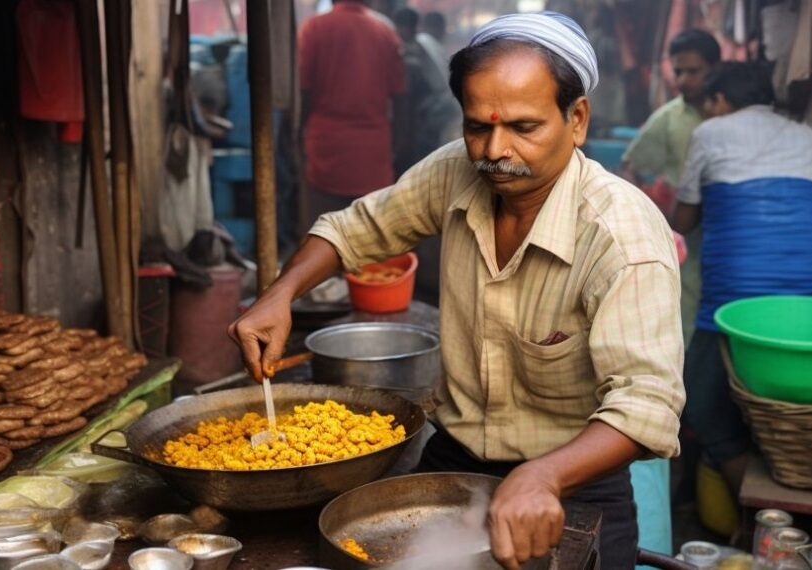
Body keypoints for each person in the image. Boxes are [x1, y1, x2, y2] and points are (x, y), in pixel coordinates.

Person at [231, 12, 684, 569]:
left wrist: (541, 475)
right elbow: (354, 230)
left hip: (573, 482)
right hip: (454, 460)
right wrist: (279, 294)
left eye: (524, 127)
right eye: (477, 127)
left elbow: (647, 407)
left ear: (578, 119)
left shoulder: (622, 237)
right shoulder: (455, 172)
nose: (495, 150)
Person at [671, 61, 812, 497]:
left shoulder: (711, 132)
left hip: (736, 297)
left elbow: (683, 220)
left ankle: (757, 510)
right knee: (778, 407)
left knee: (703, 403)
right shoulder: (808, 135)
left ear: (720, 100)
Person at [622, 29, 720, 346]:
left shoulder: (733, 112)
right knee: (687, 323)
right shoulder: (667, 119)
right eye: (678, 71)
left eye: (694, 71)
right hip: (684, 240)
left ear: (714, 68)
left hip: (727, 236)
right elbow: (631, 171)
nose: (683, 79)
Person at [298, 0, 405, 223]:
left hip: (325, 151)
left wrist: (297, 133)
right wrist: (400, 144)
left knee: (323, 236)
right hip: (373, 155)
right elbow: (400, 96)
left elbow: (303, 90)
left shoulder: (314, 28)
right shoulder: (384, 31)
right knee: (371, 241)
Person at [392, 8, 462, 176]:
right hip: (444, 107)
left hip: (434, 109)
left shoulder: (419, 44)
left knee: (421, 158)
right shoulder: (429, 43)